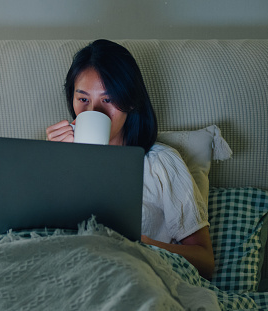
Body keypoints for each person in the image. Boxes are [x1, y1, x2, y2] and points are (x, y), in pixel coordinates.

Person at [46, 39, 214, 279]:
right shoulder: (55, 160)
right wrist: (53, 162)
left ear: (131, 101)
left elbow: (205, 262)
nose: (93, 112)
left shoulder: (160, 163)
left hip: (132, 279)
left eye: (108, 99)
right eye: (83, 99)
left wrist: (141, 244)